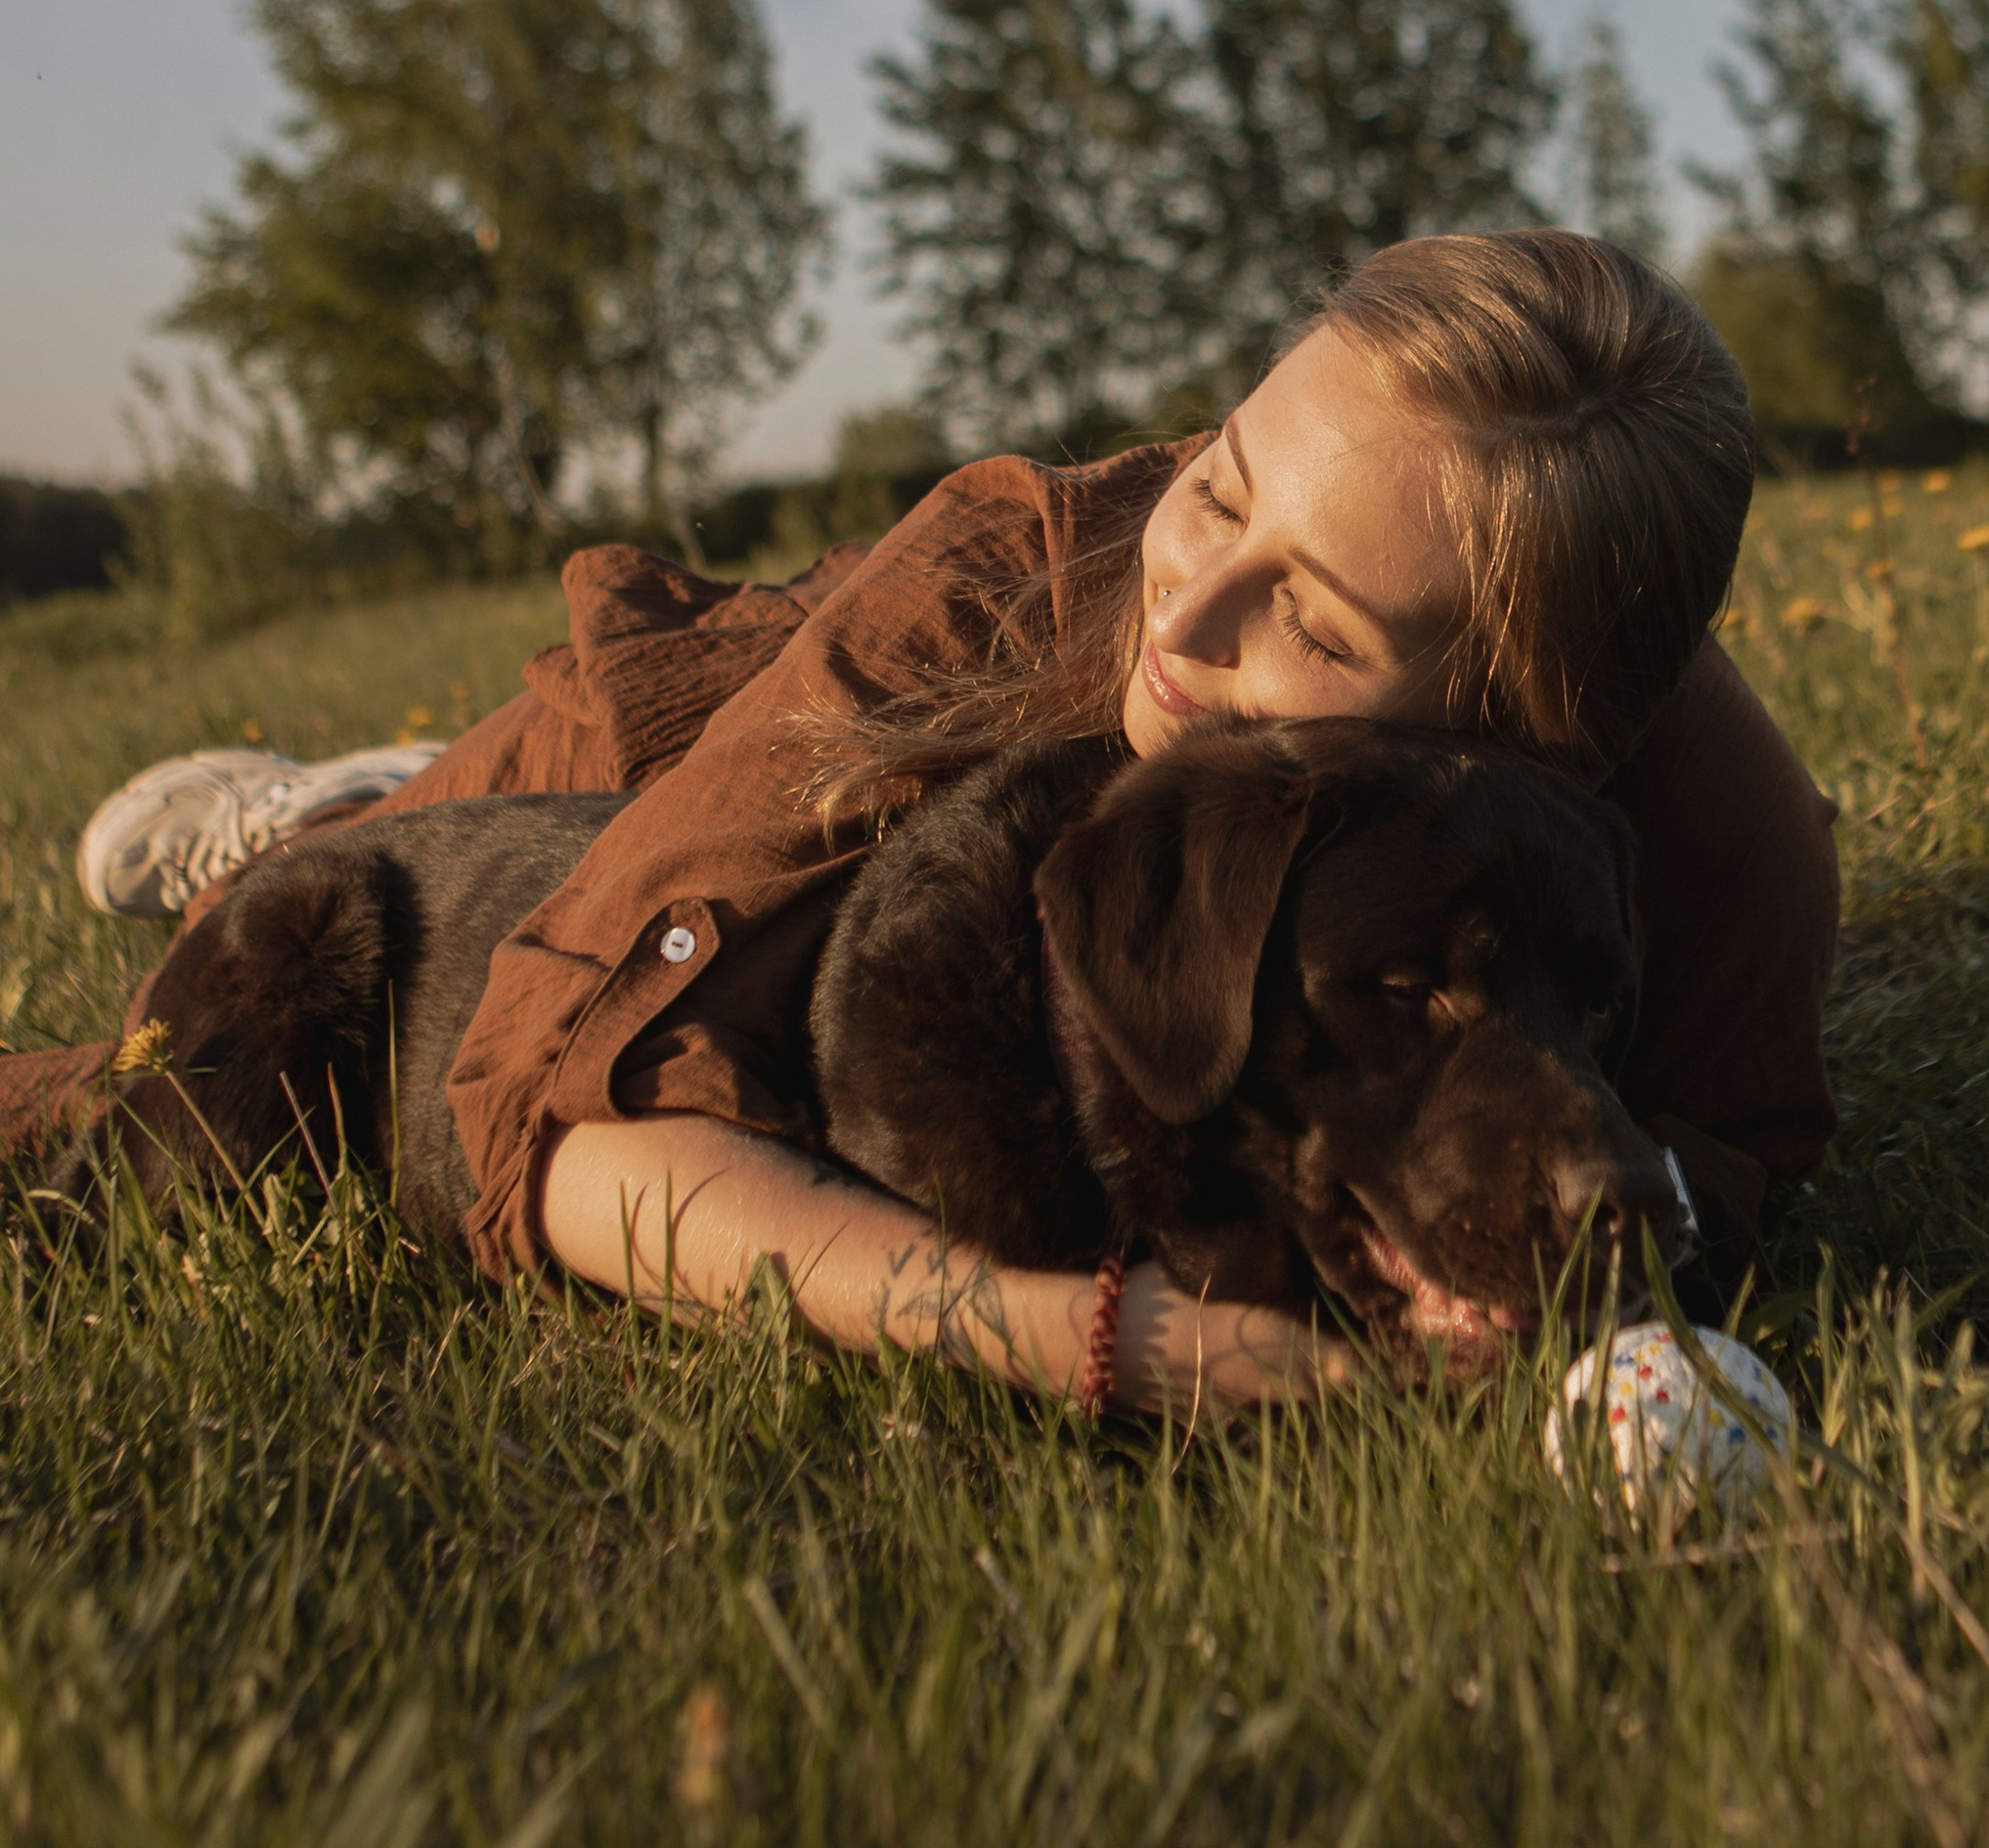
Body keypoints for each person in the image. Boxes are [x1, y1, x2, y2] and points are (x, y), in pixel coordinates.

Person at [15, 234, 1838, 1420]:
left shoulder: (1714, 830)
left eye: (1324, 626)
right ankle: (331, 794)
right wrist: (1065, 1336)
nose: (1187, 623)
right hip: (686, 765)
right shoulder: (1024, 581)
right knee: (182, 1067)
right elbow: (533, 1113)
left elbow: (1723, 1151)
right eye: (1221, 492)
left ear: (1526, 739)